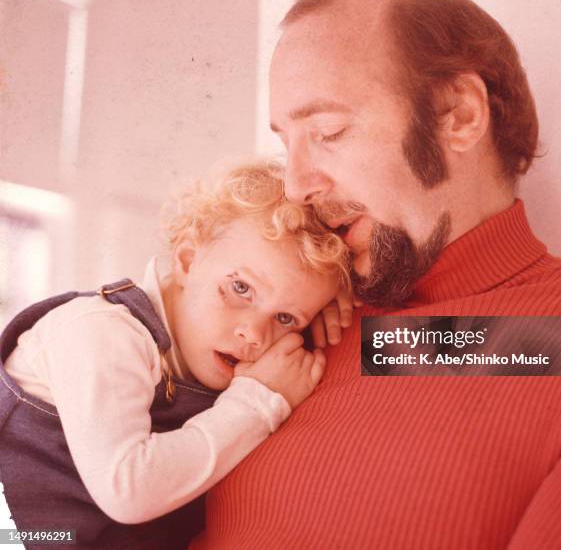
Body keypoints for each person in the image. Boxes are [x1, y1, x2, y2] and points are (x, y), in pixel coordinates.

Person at [194, 0, 561, 549]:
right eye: (285, 143)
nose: (295, 186)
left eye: (328, 131)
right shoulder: (293, 317)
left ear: (458, 115)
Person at [0, 161, 349, 549]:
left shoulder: (248, 363)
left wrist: (354, 312)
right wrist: (257, 403)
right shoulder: (100, 330)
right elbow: (129, 490)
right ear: (186, 261)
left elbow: (415, 351)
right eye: (241, 288)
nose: (253, 333)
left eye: (285, 317)